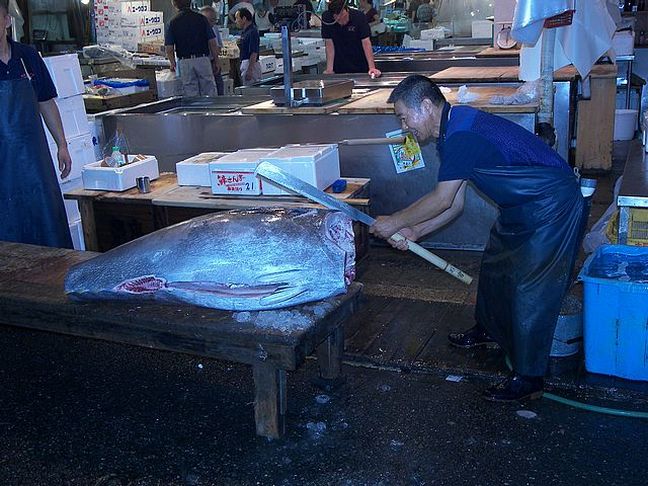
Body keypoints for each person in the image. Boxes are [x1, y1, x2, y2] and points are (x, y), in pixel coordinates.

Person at [369, 75, 587, 402]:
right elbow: (455, 203)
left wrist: (394, 221)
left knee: (530, 287)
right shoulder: (452, 129)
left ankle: (529, 378)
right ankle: (489, 330)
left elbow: (442, 199)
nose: (404, 127)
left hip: (552, 205)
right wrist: (416, 231)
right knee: (497, 265)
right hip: (521, 207)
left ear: (426, 106)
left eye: (404, 116)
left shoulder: (461, 135)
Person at [0, 0, 72, 248]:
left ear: (7, 21)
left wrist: (62, 144)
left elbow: (45, 102)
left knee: (46, 224)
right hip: (2, 166)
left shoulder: (27, 56)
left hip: (35, 161)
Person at [165, 0, 219, 97]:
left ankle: (195, 111)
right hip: (203, 59)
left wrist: (173, 63)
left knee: (190, 92)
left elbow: (169, 48)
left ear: (174, 4)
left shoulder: (172, 23)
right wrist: (216, 60)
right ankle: (212, 110)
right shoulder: (201, 19)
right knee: (209, 89)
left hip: (185, 61)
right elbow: (212, 42)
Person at [321, 0, 381, 77]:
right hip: (339, 64)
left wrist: (372, 67)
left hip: (360, 62)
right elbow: (329, 44)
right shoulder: (327, 18)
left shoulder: (359, 17)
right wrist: (329, 69)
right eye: (338, 20)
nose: (342, 22)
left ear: (347, 10)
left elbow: (366, 42)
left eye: (344, 17)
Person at [200, 5, 225, 95]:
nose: (212, 23)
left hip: (212, 60)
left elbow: (218, 45)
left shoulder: (214, 28)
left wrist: (216, 60)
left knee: (218, 85)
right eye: (210, 20)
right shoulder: (198, 30)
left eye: (214, 20)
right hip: (202, 61)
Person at [235, 7, 262, 85]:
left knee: (251, 91)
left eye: (237, 18)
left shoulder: (252, 32)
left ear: (244, 18)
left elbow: (254, 52)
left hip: (250, 64)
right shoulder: (245, 32)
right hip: (245, 63)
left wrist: (250, 70)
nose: (236, 21)